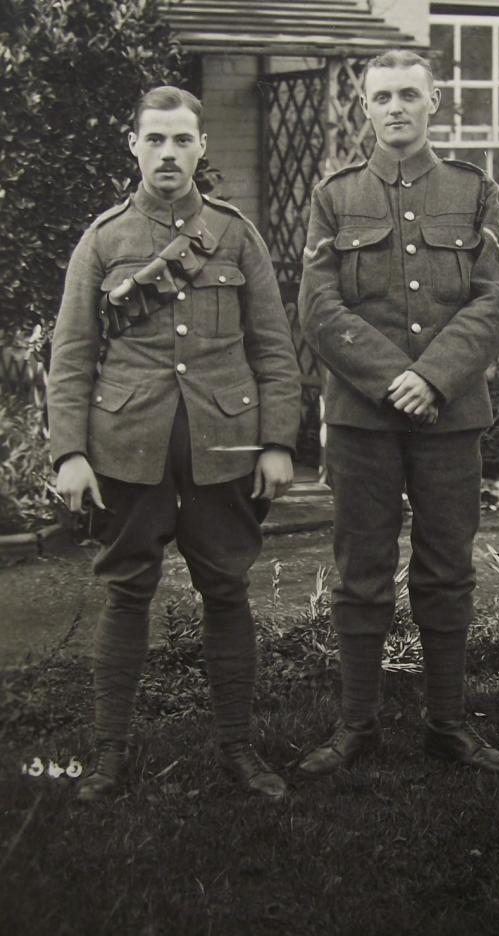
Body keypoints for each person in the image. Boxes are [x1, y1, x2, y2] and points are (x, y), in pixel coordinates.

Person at [47, 86, 301, 802]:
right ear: (133, 145)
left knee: (226, 589)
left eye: (181, 140)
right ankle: (109, 753)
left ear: (201, 147)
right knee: (127, 591)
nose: (168, 153)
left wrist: (278, 442)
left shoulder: (235, 235)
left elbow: (274, 349)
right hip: (127, 445)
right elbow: (72, 356)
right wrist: (70, 453)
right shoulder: (103, 241)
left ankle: (238, 748)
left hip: (225, 445)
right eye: (155, 139)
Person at [297, 50, 499, 775]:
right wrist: (396, 378)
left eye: (409, 96)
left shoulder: (474, 191)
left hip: (449, 418)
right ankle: (356, 726)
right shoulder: (335, 197)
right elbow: (319, 307)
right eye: (383, 97)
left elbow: (492, 299)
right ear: (366, 107)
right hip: (363, 419)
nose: (396, 108)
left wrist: (435, 378)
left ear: (434, 103)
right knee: (361, 569)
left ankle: (447, 723)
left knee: (448, 568)